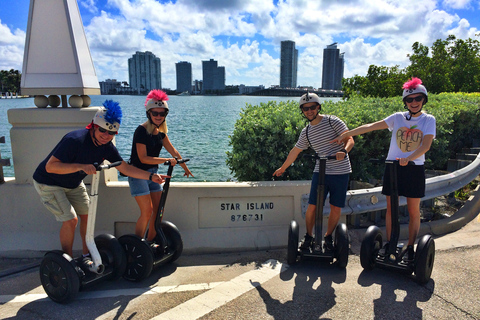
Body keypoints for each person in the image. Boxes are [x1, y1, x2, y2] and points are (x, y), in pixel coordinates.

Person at [33, 100, 167, 261]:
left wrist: (151, 176)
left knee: (87, 218)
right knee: (70, 220)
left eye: (111, 133)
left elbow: (125, 168)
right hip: (49, 183)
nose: (106, 136)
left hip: (73, 184)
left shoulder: (107, 146)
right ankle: (67, 261)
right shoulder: (74, 140)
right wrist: (81, 166)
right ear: (94, 126)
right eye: (103, 130)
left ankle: (86, 256)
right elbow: (51, 167)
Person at [331, 77, 436, 262]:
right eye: (410, 100)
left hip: (414, 168)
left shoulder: (428, 120)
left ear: (423, 100)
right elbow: (372, 126)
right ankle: (391, 243)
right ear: (405, 102)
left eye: (417, 99)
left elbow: (426, 145)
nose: (413, 103)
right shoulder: (397, 118)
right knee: (391, 209)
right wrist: (348, 134)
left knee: (413, 210)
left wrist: (409, 158)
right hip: (393, 168)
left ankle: (411, 246)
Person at [273, 92, 354, 251]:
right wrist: (283, 168)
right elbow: (295, 151)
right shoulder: (307, 132)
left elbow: (350, 139)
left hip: (341, 170)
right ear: (302, 111)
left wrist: (344, 152)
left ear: (318, 107)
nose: (309, 111)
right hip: (321, 171)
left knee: (335, 207)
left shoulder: (333, 121)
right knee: (312, 207)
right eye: (305, 108)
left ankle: (328, 237)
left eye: (312, 107)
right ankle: (309, 236)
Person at [128, 89, 193, 243]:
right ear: (148, 114)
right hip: (138, 174)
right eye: (155, 113)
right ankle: (137, 245)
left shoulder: (160, 133)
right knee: (147, 211)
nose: (158, 116)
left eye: (162, 114)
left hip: (153, 174)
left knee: (158, 211)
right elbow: (143, 158)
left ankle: (149, 243)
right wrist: (166, 160)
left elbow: (174, 151)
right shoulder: (141, 131)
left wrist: (185, 168)